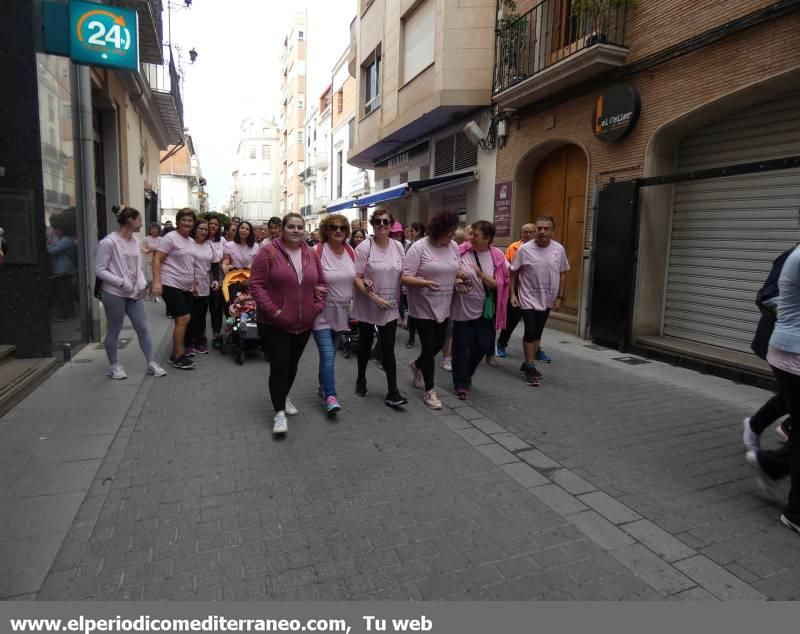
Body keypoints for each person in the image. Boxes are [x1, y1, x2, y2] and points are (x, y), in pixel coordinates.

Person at [251, 213, 326, 435]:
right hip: (274, 323)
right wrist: (274, 311)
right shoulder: (268, 252)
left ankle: (283, 396)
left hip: (304, 322)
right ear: (282, 229)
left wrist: (317, 308)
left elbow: (321, 283)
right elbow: (256, 285)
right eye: (291, 227)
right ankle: (279, 413)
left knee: (292, 365)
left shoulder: (310, 253)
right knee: (280, 366)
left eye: (299, 227)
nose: (295, 230)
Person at [746, 243, 800, 536]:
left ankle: (772, 463)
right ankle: (794, 511)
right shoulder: (796, 256)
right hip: (790, 350)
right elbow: (766, 296)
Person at [95, 207, 166, 380]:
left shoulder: (135, 241)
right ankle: (114, 366)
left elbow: (137, 267)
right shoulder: (108, 242)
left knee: (142, 328)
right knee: (114, 329)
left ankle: (151, 363)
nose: (142, 224)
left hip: (134, 293)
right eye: (139, 220)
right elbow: (99, 269)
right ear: (130, 220)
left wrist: (141, 281)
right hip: (114, 293)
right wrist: (121, 282)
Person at [402, 210, 462, 410]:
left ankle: (417, 365)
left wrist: (460, 280)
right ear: (438, 231)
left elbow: (453, 270)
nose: (453, 237)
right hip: (422, 305)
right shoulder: (419, 247)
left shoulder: (453, 246)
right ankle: (430, 391)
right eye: (449, 233)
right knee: (429, 347)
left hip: (445, 304)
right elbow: (404, 277)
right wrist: (424, 283)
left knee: (437, 345)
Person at [351, 208, 408, 407]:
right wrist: (373, 296)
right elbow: (356, 277)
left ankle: (393, 391)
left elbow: (404, 274)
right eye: (378, 222)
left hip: (390, 306)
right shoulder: (364, 248)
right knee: (366, 346)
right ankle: (361, 378)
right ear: (373, 225)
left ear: (391, 225)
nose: (382, 226)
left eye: (385, 222)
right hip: (368, 304)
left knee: (388, 348)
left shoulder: (398, 247)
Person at [743, 246, 796, 450]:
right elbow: (767, 296)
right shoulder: (793, 257)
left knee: (788, 394)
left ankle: (759, 427)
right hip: (784, 340)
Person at [451, 221, 509, 400]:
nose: (470, 238)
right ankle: (460, 384)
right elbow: (450, 271)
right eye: (470, 234)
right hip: (461, 308)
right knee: (461, 347)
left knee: (482, 346)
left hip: (485, 311)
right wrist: (457, 280)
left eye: (475, 235)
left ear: (488, 238)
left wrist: (481, 274)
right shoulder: (461, 251)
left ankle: (466, 373)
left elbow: (500, 284)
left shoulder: (497, 256)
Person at [509, 216, 569, 386]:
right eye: (539, 228)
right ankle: (529, 367)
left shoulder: (559, 249)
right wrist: (512, 295)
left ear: (552, 231)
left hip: (548, 298)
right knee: (530, 331)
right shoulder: (524, 249)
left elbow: (563, 273)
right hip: (528, 297)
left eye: (546, 229)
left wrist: (560, 297)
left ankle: (528, 363)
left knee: (537, 333)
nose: (542, 232)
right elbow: (513, 273)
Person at [312, 214, 357, 415]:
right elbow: (305, 277)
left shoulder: (350, 251)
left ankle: (322, 386)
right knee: (328, 354)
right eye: (333, 227)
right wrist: (313, 287)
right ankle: (331, 396)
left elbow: (357, 277)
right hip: (321, 312)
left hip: (342, 312)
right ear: (326, 231)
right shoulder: (317, 251)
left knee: (328, 356)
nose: (338, 231)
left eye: (342, 228)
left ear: (346, 232)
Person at [152, 208, 197, 369]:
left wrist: (193, 282)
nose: (187, 223)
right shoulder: (170, 238)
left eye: (190, 220)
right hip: (170, 283)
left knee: (183, 320)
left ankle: (174, 354)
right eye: (184, 220)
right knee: (183, 318)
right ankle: (178, 356)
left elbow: (190, 263)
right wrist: (156, 282)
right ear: (178, 221)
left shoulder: (191, 241)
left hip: (186, 286)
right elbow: (157, 259)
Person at [496, 223, 534, 358]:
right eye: (525, 232)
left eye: (531, 232)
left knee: (534, 324)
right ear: (521, 233)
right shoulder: (513, 248)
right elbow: (506, 268)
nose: (528, 234)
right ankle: (501, 344)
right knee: (512, 320)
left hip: (533, 291)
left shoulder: (540, 249)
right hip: (517, 288)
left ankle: (536, 349)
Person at [185, 218, 220, 356]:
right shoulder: (188, 243)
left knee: (201, 316)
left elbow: (215, 263)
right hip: (188, 284)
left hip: (204, 284)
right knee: (189, 316)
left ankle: (200, 341)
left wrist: (216, 279)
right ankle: (187, 343)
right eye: (201, 229)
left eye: (206, 229)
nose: (204, 231)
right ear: (195, 229)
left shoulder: (209, 245)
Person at [206, 215, 226, 350]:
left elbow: (225, 258)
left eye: (215, 224)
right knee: (200, 311)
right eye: (210, 223)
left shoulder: (222, 241)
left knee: (216, 309)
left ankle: (216, 335)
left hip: (217, 279)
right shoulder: (199, 240)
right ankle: (197, 338)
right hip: (201, 278)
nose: (213, 226)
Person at [404, 223, 425, 343]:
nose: (410, 234)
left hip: (422, 282)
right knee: (412, 310)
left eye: (412, 231)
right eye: (409, 231)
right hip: (412, 282)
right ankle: (411, 337)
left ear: (419, 231)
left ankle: (416, 336)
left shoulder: (423, 244)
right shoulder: (410, 244)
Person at [141, 223, 161, 301]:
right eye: (153, 229)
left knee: (155, 278)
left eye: (156, 229)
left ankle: (151, 294)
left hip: (158, 261)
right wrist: (148, 250)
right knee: (149, 279)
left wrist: (154, 248)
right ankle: (147, 291)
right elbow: (142, 249)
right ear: (150, 230)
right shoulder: (146, 239)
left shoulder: (161, 239)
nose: (154, 230)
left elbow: (163, 249)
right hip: (148, 260)